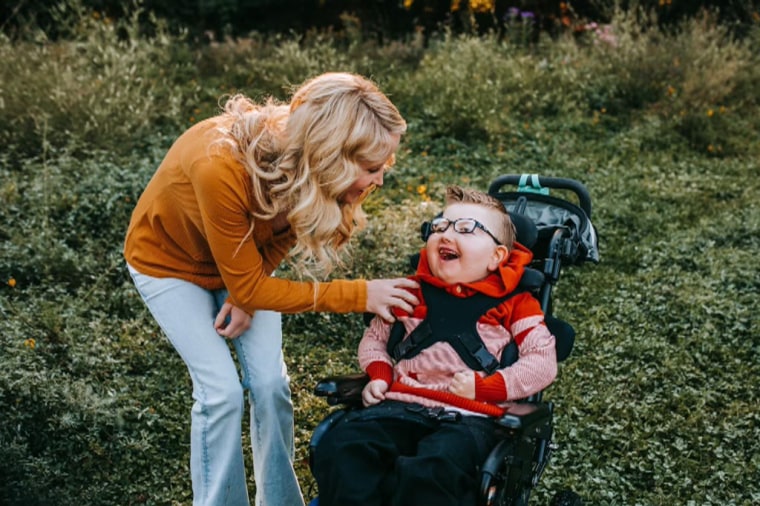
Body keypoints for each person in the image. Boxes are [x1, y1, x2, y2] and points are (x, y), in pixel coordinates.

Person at [123, 72, 420, 506]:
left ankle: (280, 501)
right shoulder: (218, 166)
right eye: (372, 169)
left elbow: (283, 227)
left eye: (384, 167)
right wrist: (357, 293)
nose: (378, 181)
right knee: (221, 393)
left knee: (270, 385)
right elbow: (253, 281)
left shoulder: (304, 166)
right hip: (169, 266)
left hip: (242, 264)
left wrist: (247, 293)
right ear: (330, 156)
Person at [312, 185, 558, 506]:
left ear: (497, 256)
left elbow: (541, 362)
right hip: (399, 403)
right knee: (346, 447)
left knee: (432, 471)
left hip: (469, 417)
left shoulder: (516, 304)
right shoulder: (410, 292)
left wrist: (487, 387)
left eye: (466, 229)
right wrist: (379, 374)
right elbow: (375, 340)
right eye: (440, 225)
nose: (446, 234)